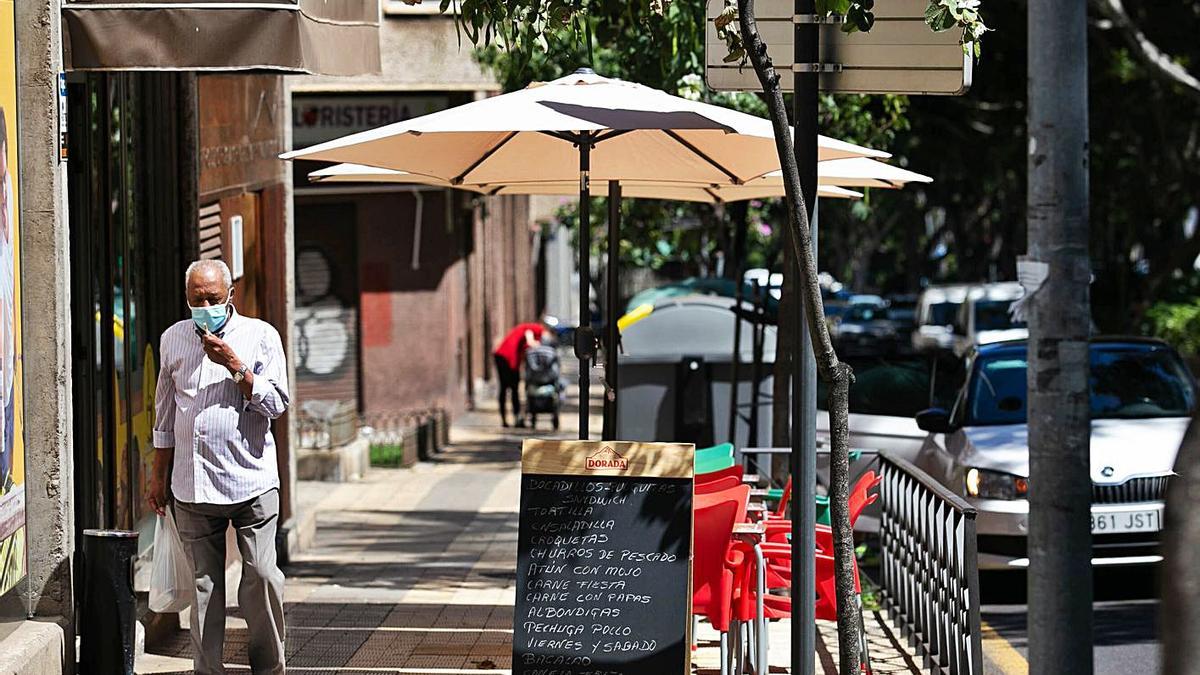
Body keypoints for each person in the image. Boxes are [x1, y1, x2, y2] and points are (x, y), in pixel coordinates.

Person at [147, 259, 290, 675]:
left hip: (252, 482)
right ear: (186, 299)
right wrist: (159, 476)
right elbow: (164, 415)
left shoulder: (260, 336)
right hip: (193, 485)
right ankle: (208, 671)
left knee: (262, 576)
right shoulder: (174, 339)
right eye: (196, 299)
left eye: (212, 298)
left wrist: (236, 365)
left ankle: (269, 667)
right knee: (206, 588)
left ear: (231, 296)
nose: (205, 305)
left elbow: (278, 403)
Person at [492, 320, 548, 427]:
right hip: (506, 358)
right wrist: (538, 345)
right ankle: (509, 418)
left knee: (511, 389)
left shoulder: (527, 328)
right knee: (507, 388)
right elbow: (530, 339)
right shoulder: (533, 329)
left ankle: (514, 418)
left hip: (509, 359)